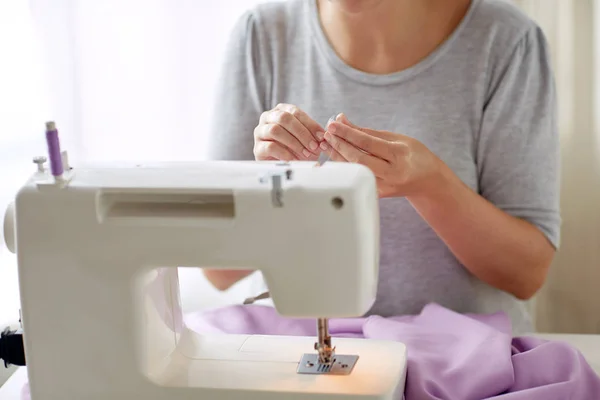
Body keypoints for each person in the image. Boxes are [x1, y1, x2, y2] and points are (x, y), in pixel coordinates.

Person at [204, 0, 560, 335]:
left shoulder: (507, 40)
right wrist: (276, 187)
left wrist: (430, 184)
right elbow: (217, 268)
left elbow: (526, 275)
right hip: (294, 351)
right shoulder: (262, 35)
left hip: (466, 362)